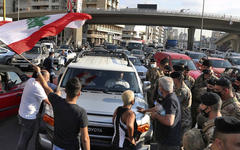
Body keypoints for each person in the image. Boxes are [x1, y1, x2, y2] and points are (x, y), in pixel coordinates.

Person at [32, 65, 90, 150]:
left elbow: (45, 86)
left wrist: (39, 72)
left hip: (57, 146)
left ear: (65, 91)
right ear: (79, 93)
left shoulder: (56, 101)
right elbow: (85, 139)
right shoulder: (81, 112)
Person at [16, 70, 51, 150]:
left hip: (22, 114)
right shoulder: (38, 88)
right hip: (29, 118)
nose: (48, 80)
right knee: (25, 139)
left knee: (24, 136)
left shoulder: (31, 80)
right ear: (42, 77)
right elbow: (49, 102)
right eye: (47, 78)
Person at [151, 76, 181, 150]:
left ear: (161, 88)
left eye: (159, 86)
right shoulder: (167, 98)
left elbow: (169, 121)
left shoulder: (171, 100)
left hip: (169, 143)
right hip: (164, 140)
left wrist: (156, 115)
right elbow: (160, 109)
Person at [191, 59, 218, 128]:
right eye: (203, 67)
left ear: (211, 68)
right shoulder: (199, 78)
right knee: (192, 124)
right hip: (195, 105)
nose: (205, 69)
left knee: (203, 126)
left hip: (206, 108)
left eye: (207, 67)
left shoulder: (215, 80)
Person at [170, 71, 192, 141]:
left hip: (184, 120)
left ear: (176, 79)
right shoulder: (177, 88)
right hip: (179, 119)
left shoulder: (183, 91)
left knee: (182, 142)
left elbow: (174, 103)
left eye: (172, 79)